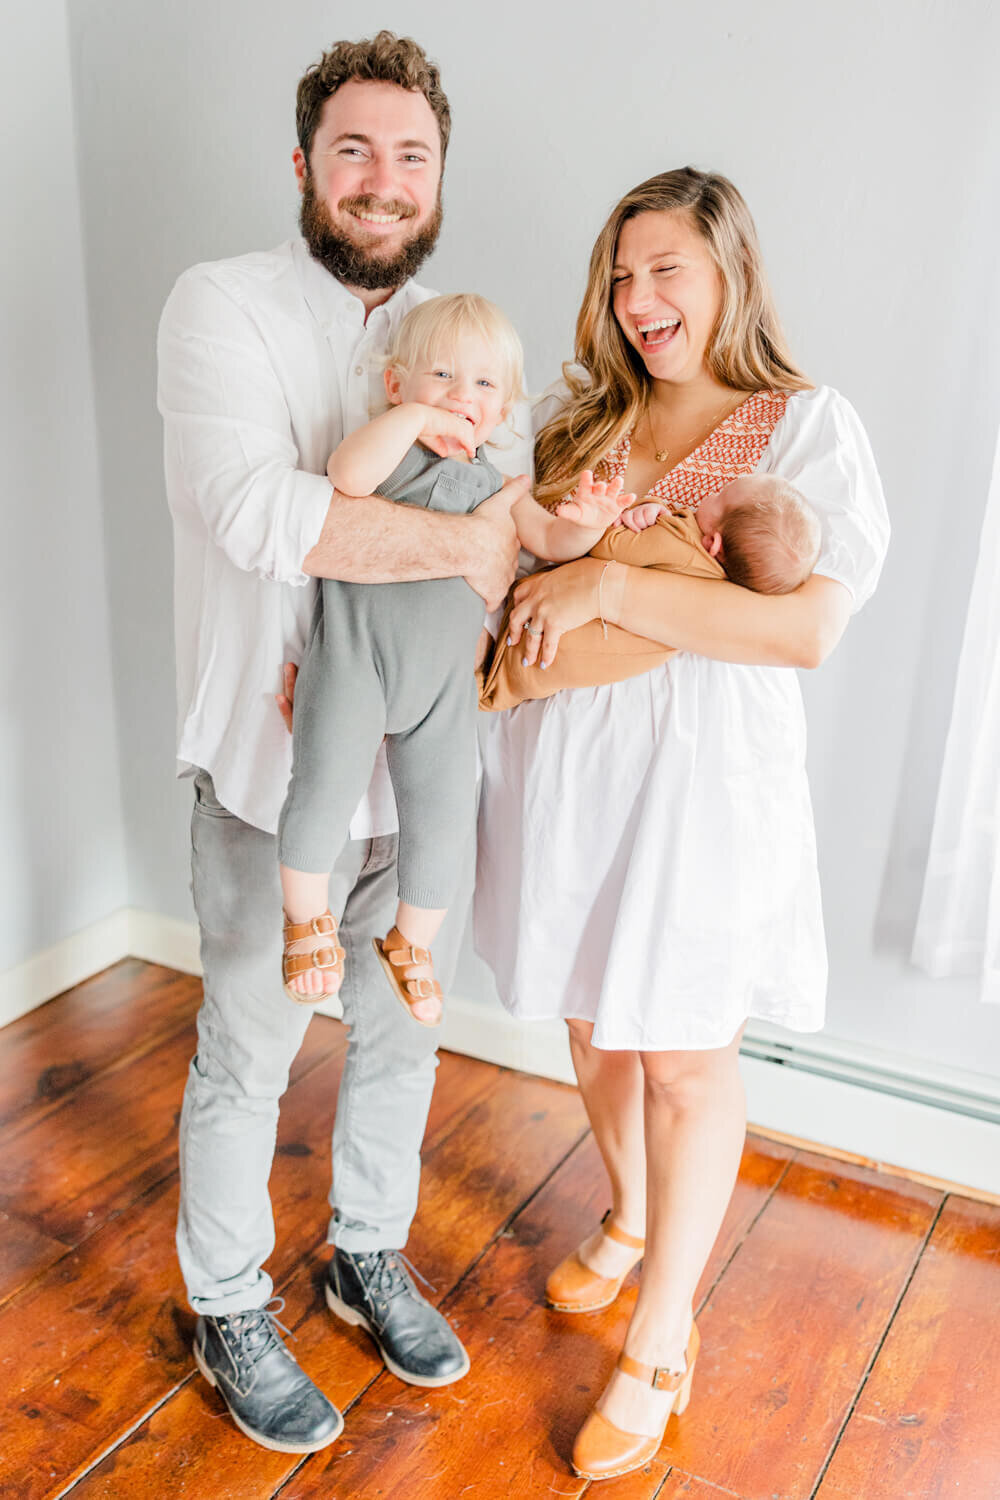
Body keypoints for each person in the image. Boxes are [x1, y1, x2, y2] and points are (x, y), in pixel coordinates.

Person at [475, 167, 889, 1482]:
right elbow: (515, 590)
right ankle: (635, 1212)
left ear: (730, 275)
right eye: (621, 273)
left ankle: (664, 1334)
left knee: (683, 1056)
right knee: (592, 1019)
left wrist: (610, 579)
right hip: (568, 765)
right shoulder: (582, 421)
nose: (639, 299)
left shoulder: (805, 425)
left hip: (705, 787)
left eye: (667, 270)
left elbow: (800, 630)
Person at [157, 32, 532, 1455]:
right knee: (249, 1050)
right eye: (356, 150)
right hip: (273, 775)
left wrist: (487, 551)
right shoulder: (222, 307)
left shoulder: (464, 337)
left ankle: (365, 1249)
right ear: (305, 164)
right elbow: (257, 515)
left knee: (401, 1035)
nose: (383, 180)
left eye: (412, 155)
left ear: (440, 180)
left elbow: (515, 542)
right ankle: (227, 1299)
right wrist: (457, 542)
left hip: (416, 773)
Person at [277, 292, 625, 1021]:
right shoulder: (387, 453)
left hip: (441, 692)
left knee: (443, 819)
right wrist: (411, 419)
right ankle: (306, 918)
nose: (461, 396)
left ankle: (412, 942)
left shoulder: (501, 487)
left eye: (484, 385)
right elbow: (345, 476)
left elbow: (549, 543)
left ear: (501, 412)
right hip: (354, 663)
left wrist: (585, 527)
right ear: (395, 385)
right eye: (440, 376)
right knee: (321, 788)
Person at [480, 471, 820, 710]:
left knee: (477, 656)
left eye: (719, 496)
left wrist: (617, 518)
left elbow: (607, 548)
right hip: (537, 662)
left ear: (712, 542)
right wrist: (655, 514)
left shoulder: (681, 545)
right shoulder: (709, 589)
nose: (709, 493)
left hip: (530, 642)